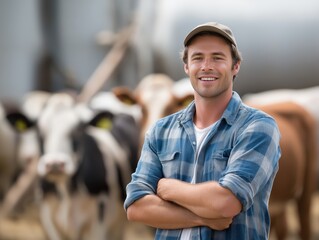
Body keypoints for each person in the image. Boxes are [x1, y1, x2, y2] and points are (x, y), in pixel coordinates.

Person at [124, 22, 281, 239]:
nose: (206, 66)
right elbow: (136, 207)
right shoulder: (160, 131)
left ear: (235, 66)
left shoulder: (258, 126)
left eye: (217, 57)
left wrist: (168, 188)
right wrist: (204, 217)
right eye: (197, 58)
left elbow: (226, 203)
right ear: (187, 67)